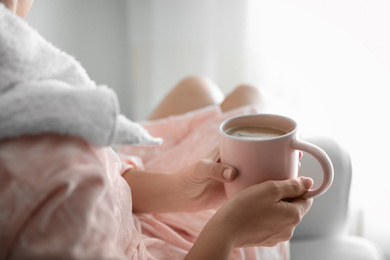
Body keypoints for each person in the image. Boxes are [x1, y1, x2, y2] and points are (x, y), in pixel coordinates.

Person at [0, 1, 313, 259]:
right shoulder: (55, 179)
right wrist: (229, 229)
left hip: (135, 220)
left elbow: (114, 182)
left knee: (197, 89)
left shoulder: (25, 80)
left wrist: (185, 190)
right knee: (252, 102)